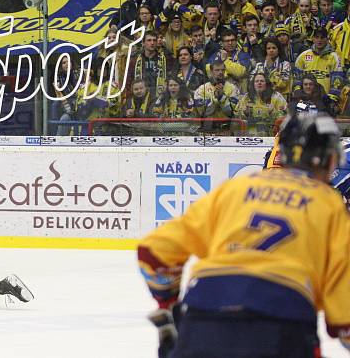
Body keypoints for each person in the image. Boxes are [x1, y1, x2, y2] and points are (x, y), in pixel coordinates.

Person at [139, 112, 350, 357]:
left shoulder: (236, 188)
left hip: (203, 316)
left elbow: (153, 252)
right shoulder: (329, 204)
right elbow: (344, 317)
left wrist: (169, 305)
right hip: (282, 323)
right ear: (329, 159)